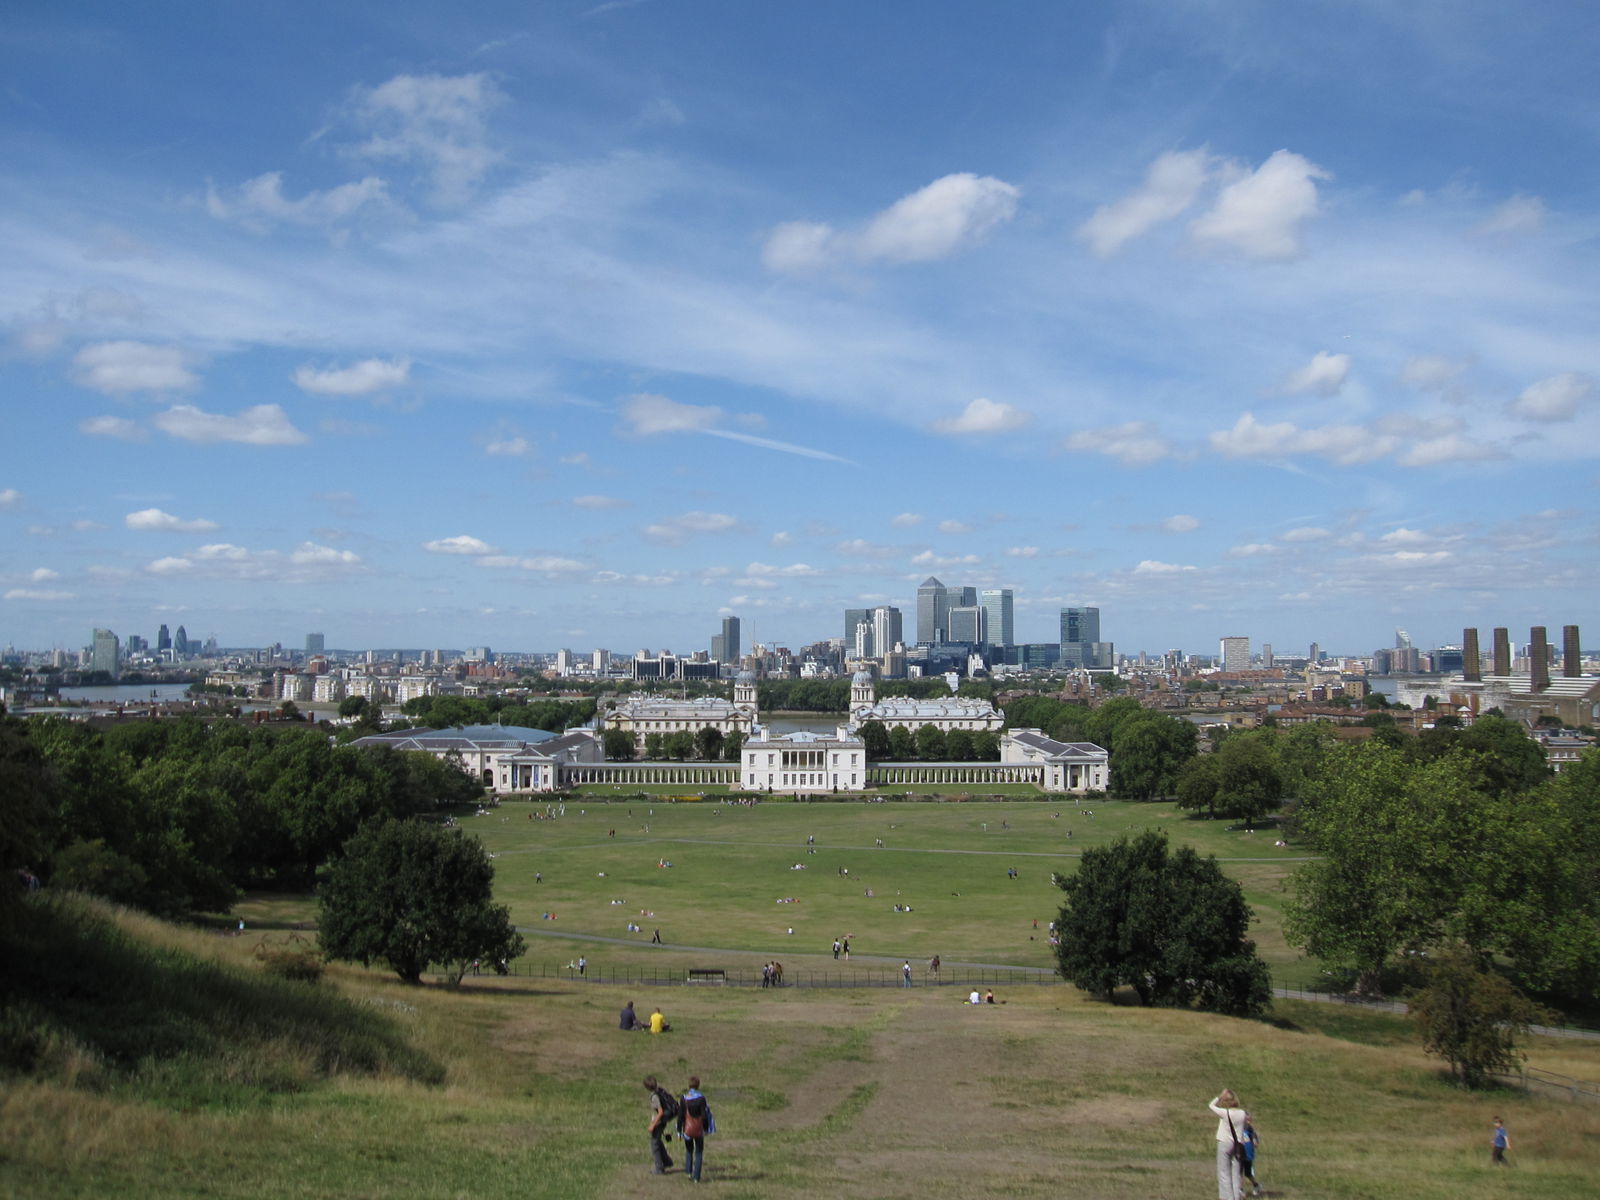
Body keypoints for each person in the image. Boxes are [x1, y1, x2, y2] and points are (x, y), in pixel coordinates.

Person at [1209, 1089, 1247, 1200]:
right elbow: (1243, 1127)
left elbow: (1210, 1105)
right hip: (1238, 1145)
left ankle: (1227, 1198)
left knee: (1224, 1173)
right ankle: (1236, 1197)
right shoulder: (1242, 1113)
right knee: (1235, 1174)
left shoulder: (1225, 1113)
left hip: (1224, 1142)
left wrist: (1219, 1096)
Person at [678, 1076, 715, 1183]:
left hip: (687, 1128)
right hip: (698, 1129)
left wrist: (679, 1130)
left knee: (689, 1150)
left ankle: (688, 1171)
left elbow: (680, 1115)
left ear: (689, 1085)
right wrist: (706, 1128)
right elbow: (704, 1115)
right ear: (698, 1086)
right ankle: (696, 1177)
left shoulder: (684, 1098)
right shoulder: (701, 1098)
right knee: (699, 1152)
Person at [643, 1075, 676, 1175]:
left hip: (660, 1120)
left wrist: (653, 1124)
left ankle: (659, 1168)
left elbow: (660, 1112)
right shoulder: (660, 1091)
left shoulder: (654, 1097)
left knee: (654, 1144)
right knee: (657, 1141)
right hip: (665, 1118)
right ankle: (666, 1161)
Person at [1241, 1113, 1262, 1197]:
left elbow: (1256, 1143)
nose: (1248, 1122)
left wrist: (1254, 1142)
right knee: (1239, 1172)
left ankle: (1256, 1185)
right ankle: (1240, 1190)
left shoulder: (1251, 1130)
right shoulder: (1237, 1129)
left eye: (1249, 1120)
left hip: (1248, 1154)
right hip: (1239, 1153)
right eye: (1246, 1120)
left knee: (1248, 1173)